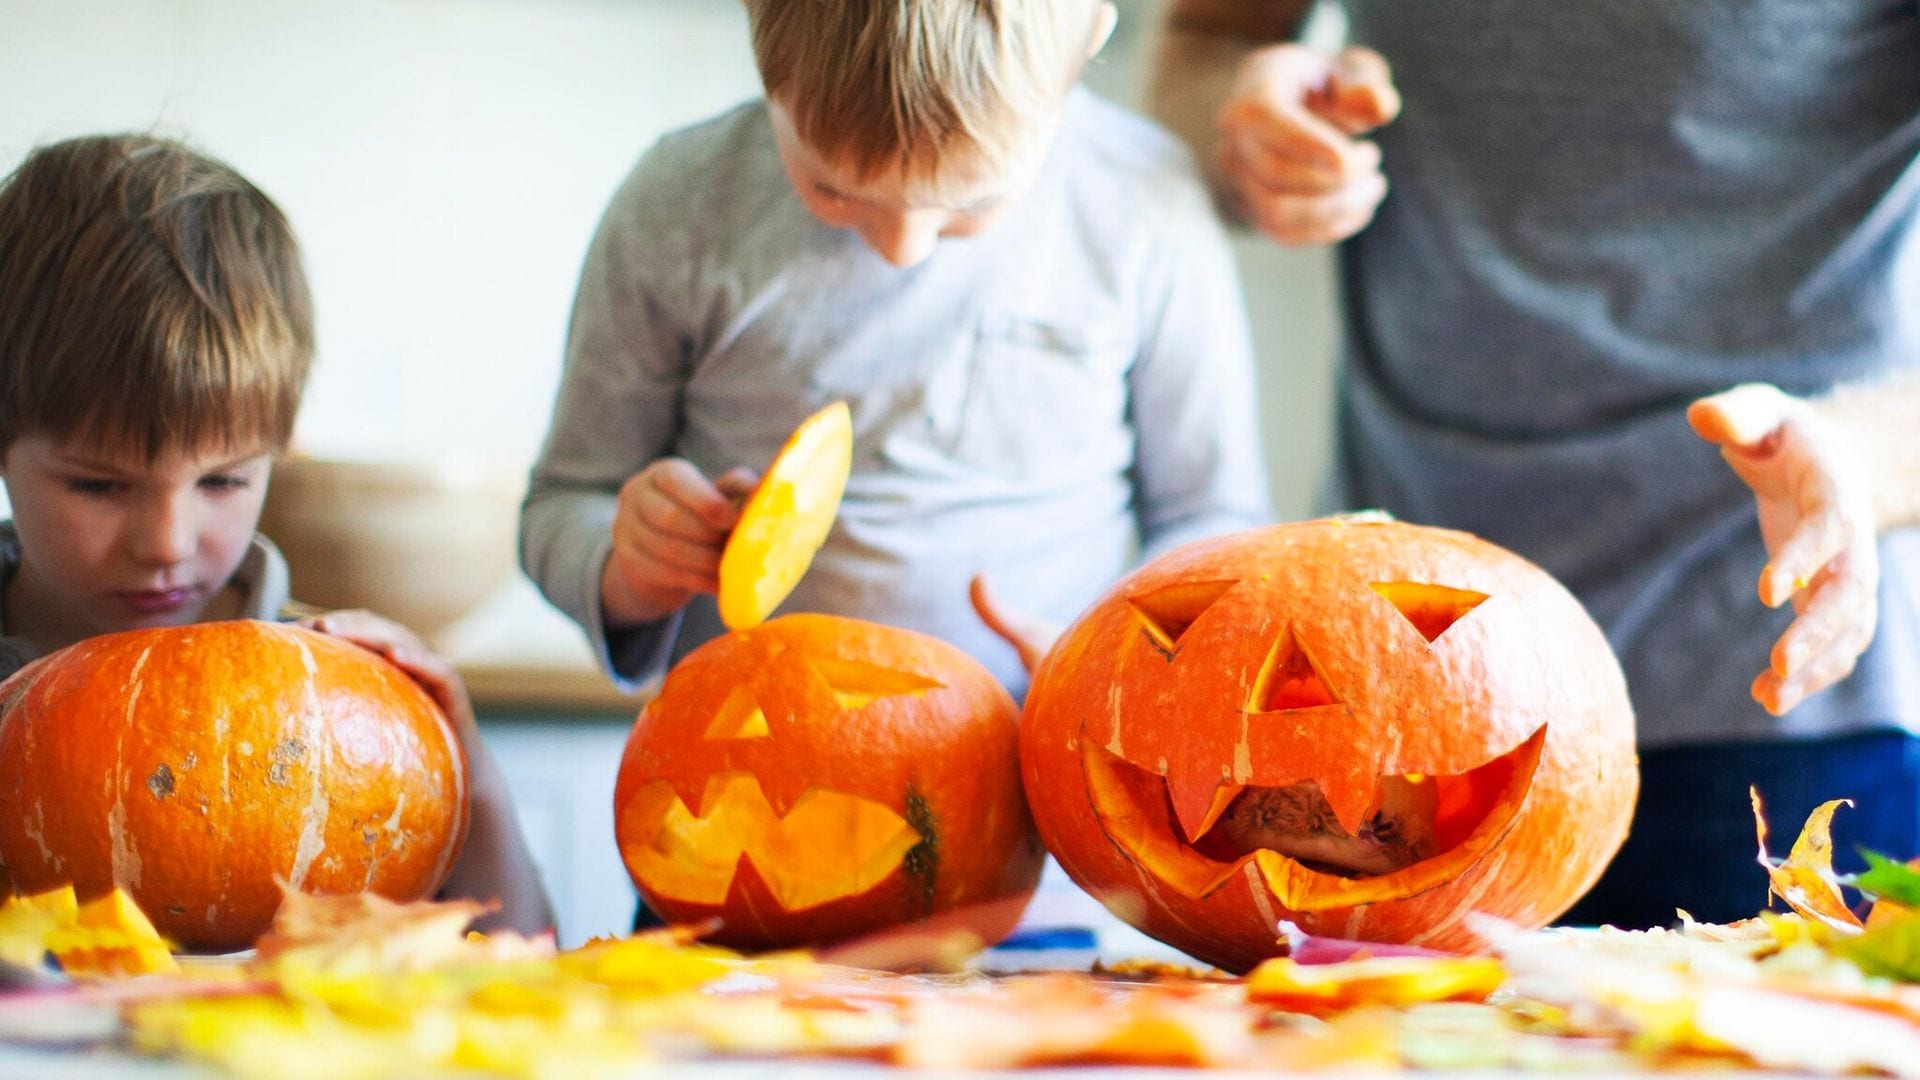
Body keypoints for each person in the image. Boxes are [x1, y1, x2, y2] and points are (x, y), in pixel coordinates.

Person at [1148, 0, 1920, 927]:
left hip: (1768, 694)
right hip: (1378, 709)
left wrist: (1861, 455)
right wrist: (1244, 120)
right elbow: (1210, 38)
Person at [520, 0, 1270, 700]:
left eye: (973, 201)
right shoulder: (678, 205)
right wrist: (630, 570)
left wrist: (1120, 650)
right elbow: (560, 506)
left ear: (1085, 44)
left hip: (1048, 756)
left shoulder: (1149, 205)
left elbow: (1216, 517)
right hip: (753, 749)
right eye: (833, 187)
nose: (903, 249)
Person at [0, 133, 554, 935]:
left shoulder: (336, 698)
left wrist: (467, 762)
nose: (166, 541)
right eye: (99, 484)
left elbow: (526, 957)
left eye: (222, 480)